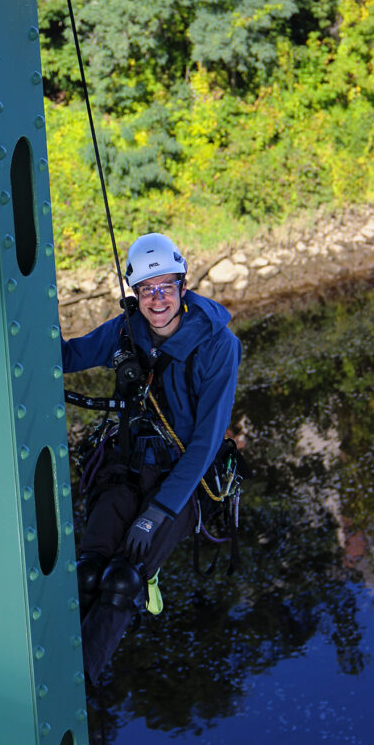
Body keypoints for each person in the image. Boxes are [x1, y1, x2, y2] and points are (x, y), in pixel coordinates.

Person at [61, 233, 242, 683]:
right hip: (127, 465)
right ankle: (48, 657)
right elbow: (66, 357)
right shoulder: (127, 330)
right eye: (146, 289)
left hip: (180, 483)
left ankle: (75, 682)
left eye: (166, 287)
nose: (157, 299)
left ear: (183, 287)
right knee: (87, 574)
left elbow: (205, 440)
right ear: (135, 293)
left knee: (123, 579)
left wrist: (157, 514)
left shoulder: (219, 346)